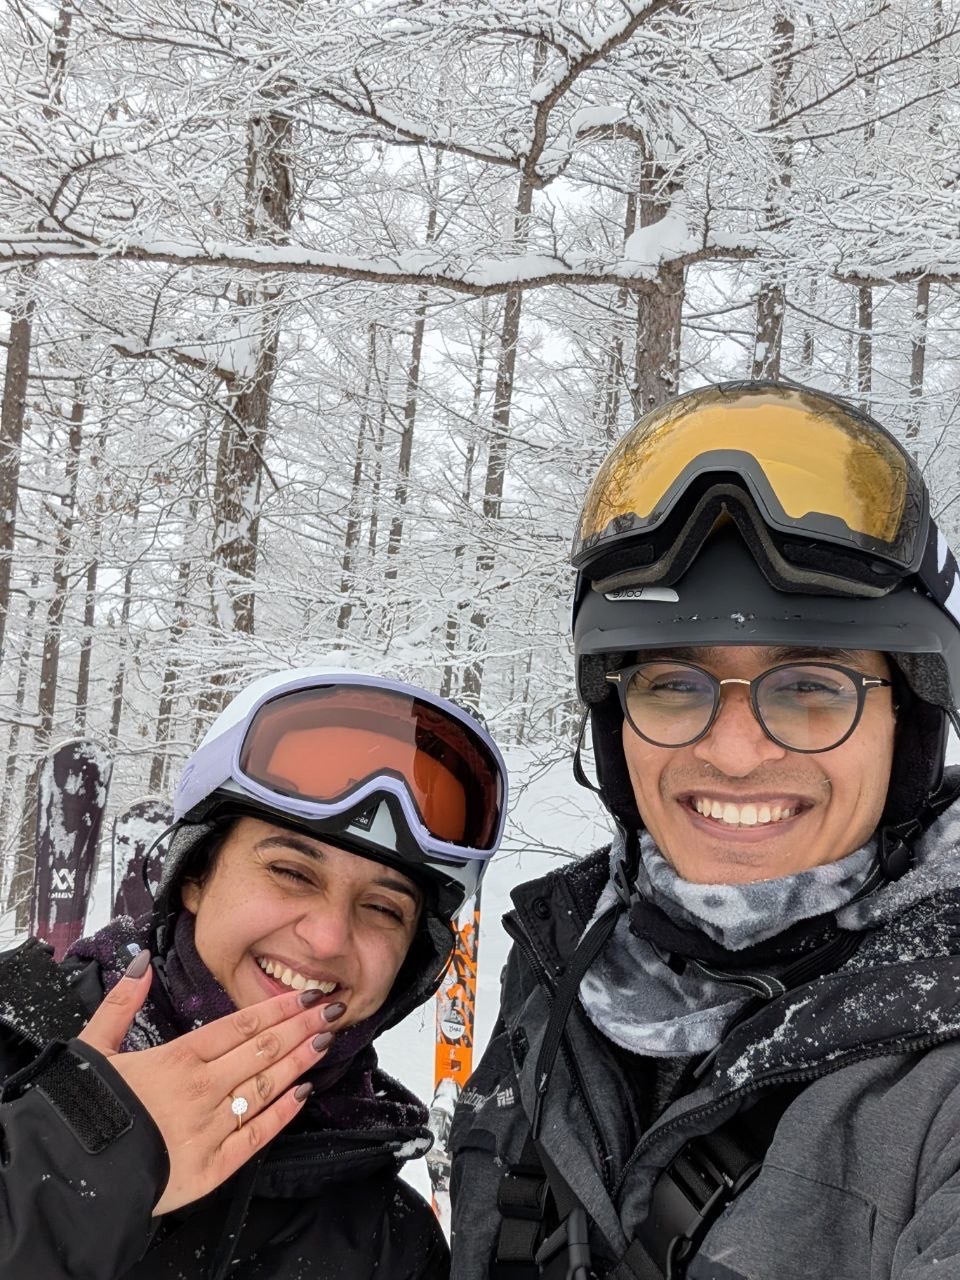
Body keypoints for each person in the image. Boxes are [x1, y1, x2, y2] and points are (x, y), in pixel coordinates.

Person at [449, 381, 960, 1280]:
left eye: (812, 687)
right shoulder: (562, 980)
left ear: (907, 726)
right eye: (674, 684)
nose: (732, 752)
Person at [0, 667, 508, 1280]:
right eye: (292, 872)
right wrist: (55, 1182)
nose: (327, 939)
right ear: (195, 876)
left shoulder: (394, 1247)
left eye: (382, 908)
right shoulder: (11, 1045)